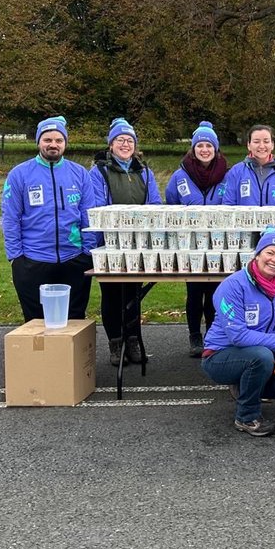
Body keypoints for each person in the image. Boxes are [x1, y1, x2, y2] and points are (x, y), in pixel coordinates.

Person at [201, 226, 275, 437]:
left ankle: (244, 386)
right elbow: (237, 336)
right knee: (261, 356)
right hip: (220, 355)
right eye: (270, 252)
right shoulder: (233, 285)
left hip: (262, 353)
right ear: (257, 254)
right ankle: (247, 417)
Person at [1, 115, 93, 322]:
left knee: (74, 320)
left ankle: (71, 347)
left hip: (74, 259)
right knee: (36, 322)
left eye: (59, 140)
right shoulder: (19, 174)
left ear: (65, 143)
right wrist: (16, 256)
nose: (53, 145)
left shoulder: (80, 174)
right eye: (47, 140)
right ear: (38, 142)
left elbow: (88, 214)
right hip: (33, 259)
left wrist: (87, 252)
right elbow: (11, 217)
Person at [87, 118, 162, 367]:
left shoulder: (145, 172)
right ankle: (115, 342)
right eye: (120, 140)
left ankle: (133, 340)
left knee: (133, 294)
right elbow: (97, 207)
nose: (125, 144)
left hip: (138, 244)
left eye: (129, 140)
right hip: (109, 244)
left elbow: (154, 204)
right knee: (111, 295)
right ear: (111, 144)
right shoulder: (99, 172)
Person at [165, 121, 229, 358]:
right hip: (189, 244)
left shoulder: (226, 175)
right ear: (193, 148)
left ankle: (212, 336)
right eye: (200, 145)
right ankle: (194, 336)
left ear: (215, 148)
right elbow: (171, 205)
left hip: (218, 243)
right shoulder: (180, 176)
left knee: (215, 291)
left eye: (208, 145)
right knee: (194, 291)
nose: (204, 149)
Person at [219, 124, 275, 206]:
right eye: (256, 142)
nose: (262, 146)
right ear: (249, 145)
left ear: (272, 145)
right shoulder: (236, 172)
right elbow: (228, 205)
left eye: (266, 141)